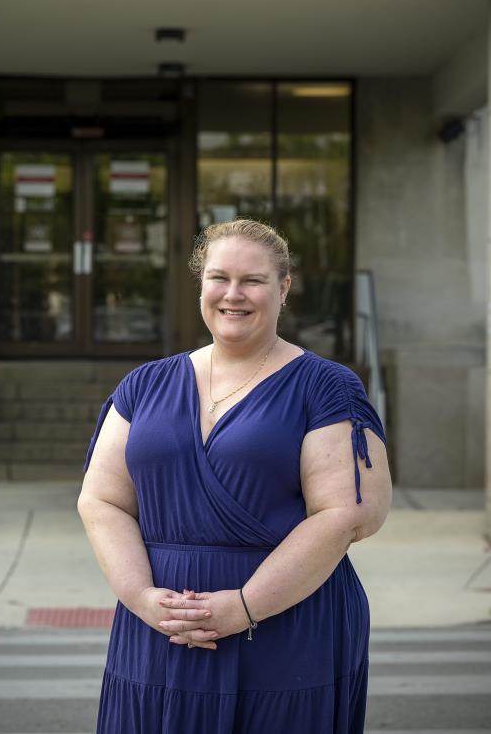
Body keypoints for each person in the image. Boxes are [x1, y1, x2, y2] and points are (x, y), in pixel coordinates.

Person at [77, 218, 392, 734]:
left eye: (253, 280)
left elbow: (347, 514)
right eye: (219, 278)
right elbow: (101, 500)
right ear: (200, 285)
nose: (233, 294)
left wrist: (243, 607)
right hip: (159, 628)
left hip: (285, 627)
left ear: (283, 289)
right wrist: (141, 598)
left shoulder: (326, 387)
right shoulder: (144, 384)